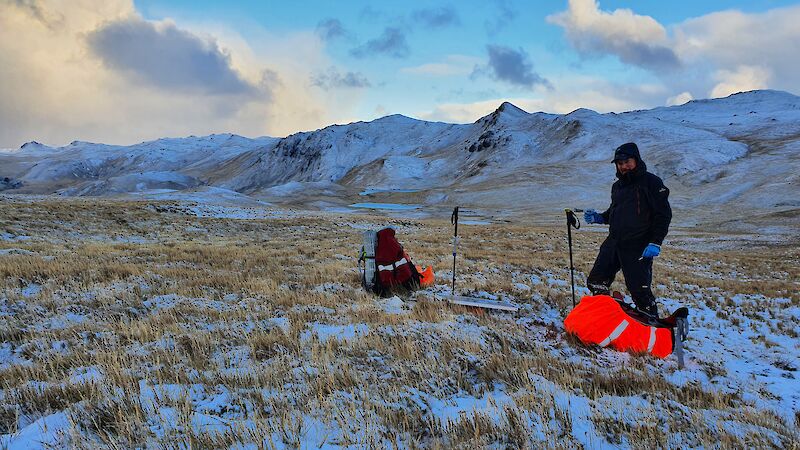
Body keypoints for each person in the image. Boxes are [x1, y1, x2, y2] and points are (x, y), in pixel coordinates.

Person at [583, 142, 671, 317]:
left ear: (636, 160)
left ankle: (650, 323)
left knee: (640, 292)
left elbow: (663, 214)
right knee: (596, 281)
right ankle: (606, 315)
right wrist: (599, 217)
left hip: (638, 245)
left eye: (627, 161)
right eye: (620, 163)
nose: (624, 166)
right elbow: (615, 212)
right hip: (614, 242)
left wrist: (655, 242)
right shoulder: (617, 187)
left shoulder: (651, 182)